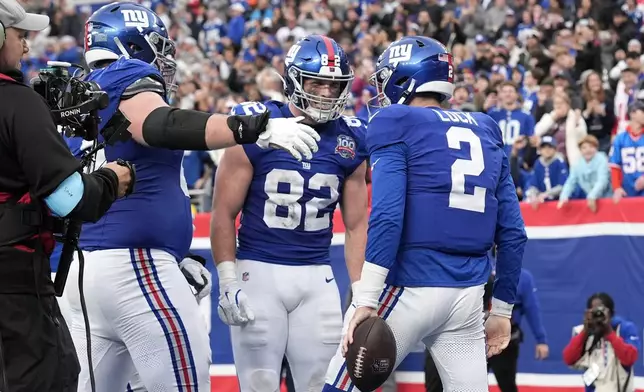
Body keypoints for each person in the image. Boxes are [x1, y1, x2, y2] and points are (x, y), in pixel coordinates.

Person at [59, 3, 249, 390]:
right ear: (132, 45)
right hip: (133, 265)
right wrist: (245, 128)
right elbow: (157, 124)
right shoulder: (130, 74)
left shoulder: (73, 93)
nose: (164, 58)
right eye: (158, 46)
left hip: (80, 271)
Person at [322, 36, 527, 392]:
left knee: (339, 386)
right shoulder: (487, 127)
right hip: (467, 295)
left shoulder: (395, 119)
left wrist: (366, 299)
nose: (382, 91)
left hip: (410, 285)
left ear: (404, 78)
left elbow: (386, 215)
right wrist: (503, 311)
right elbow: (513, 232)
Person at [211, 34, 369, 392]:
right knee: (259, 384)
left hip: (316, 275)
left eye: (335, 85)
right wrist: (228, 278)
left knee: (318, 384)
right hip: (259, 272)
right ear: (295, 81)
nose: (327, 94)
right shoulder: (257, 125)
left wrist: (361, 292)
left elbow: (357, 225)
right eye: (318, 83)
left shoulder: (351, 138)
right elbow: (223, 212)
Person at [0, 0, 133, 390]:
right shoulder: (18, 102)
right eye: (20, 36)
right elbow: (69, 199)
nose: (26, 47)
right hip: (15, 285)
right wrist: (111, 179)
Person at [562, 292, 639, 392]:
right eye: (594, 312)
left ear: (611, 313)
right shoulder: (582, 332)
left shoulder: (624, 329)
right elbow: (568, 359)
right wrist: (586, 331)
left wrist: (609, 333)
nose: (598, 315)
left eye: (601, 311)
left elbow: (630, 358)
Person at [487, 81, 536, 156]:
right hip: (496, 159)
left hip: (518, 159)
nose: (507, 94)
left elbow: (530, 138)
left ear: (517, 94)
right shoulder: (492, 114)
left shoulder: (526, 116)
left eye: (510, 91)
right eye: (504, 91)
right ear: (499, 95)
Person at [610, 101, 644, 202]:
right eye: (642, 111)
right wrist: (617, 188)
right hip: (628, 189)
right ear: (632, 114)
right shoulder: (620, 139)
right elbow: (615, 165)